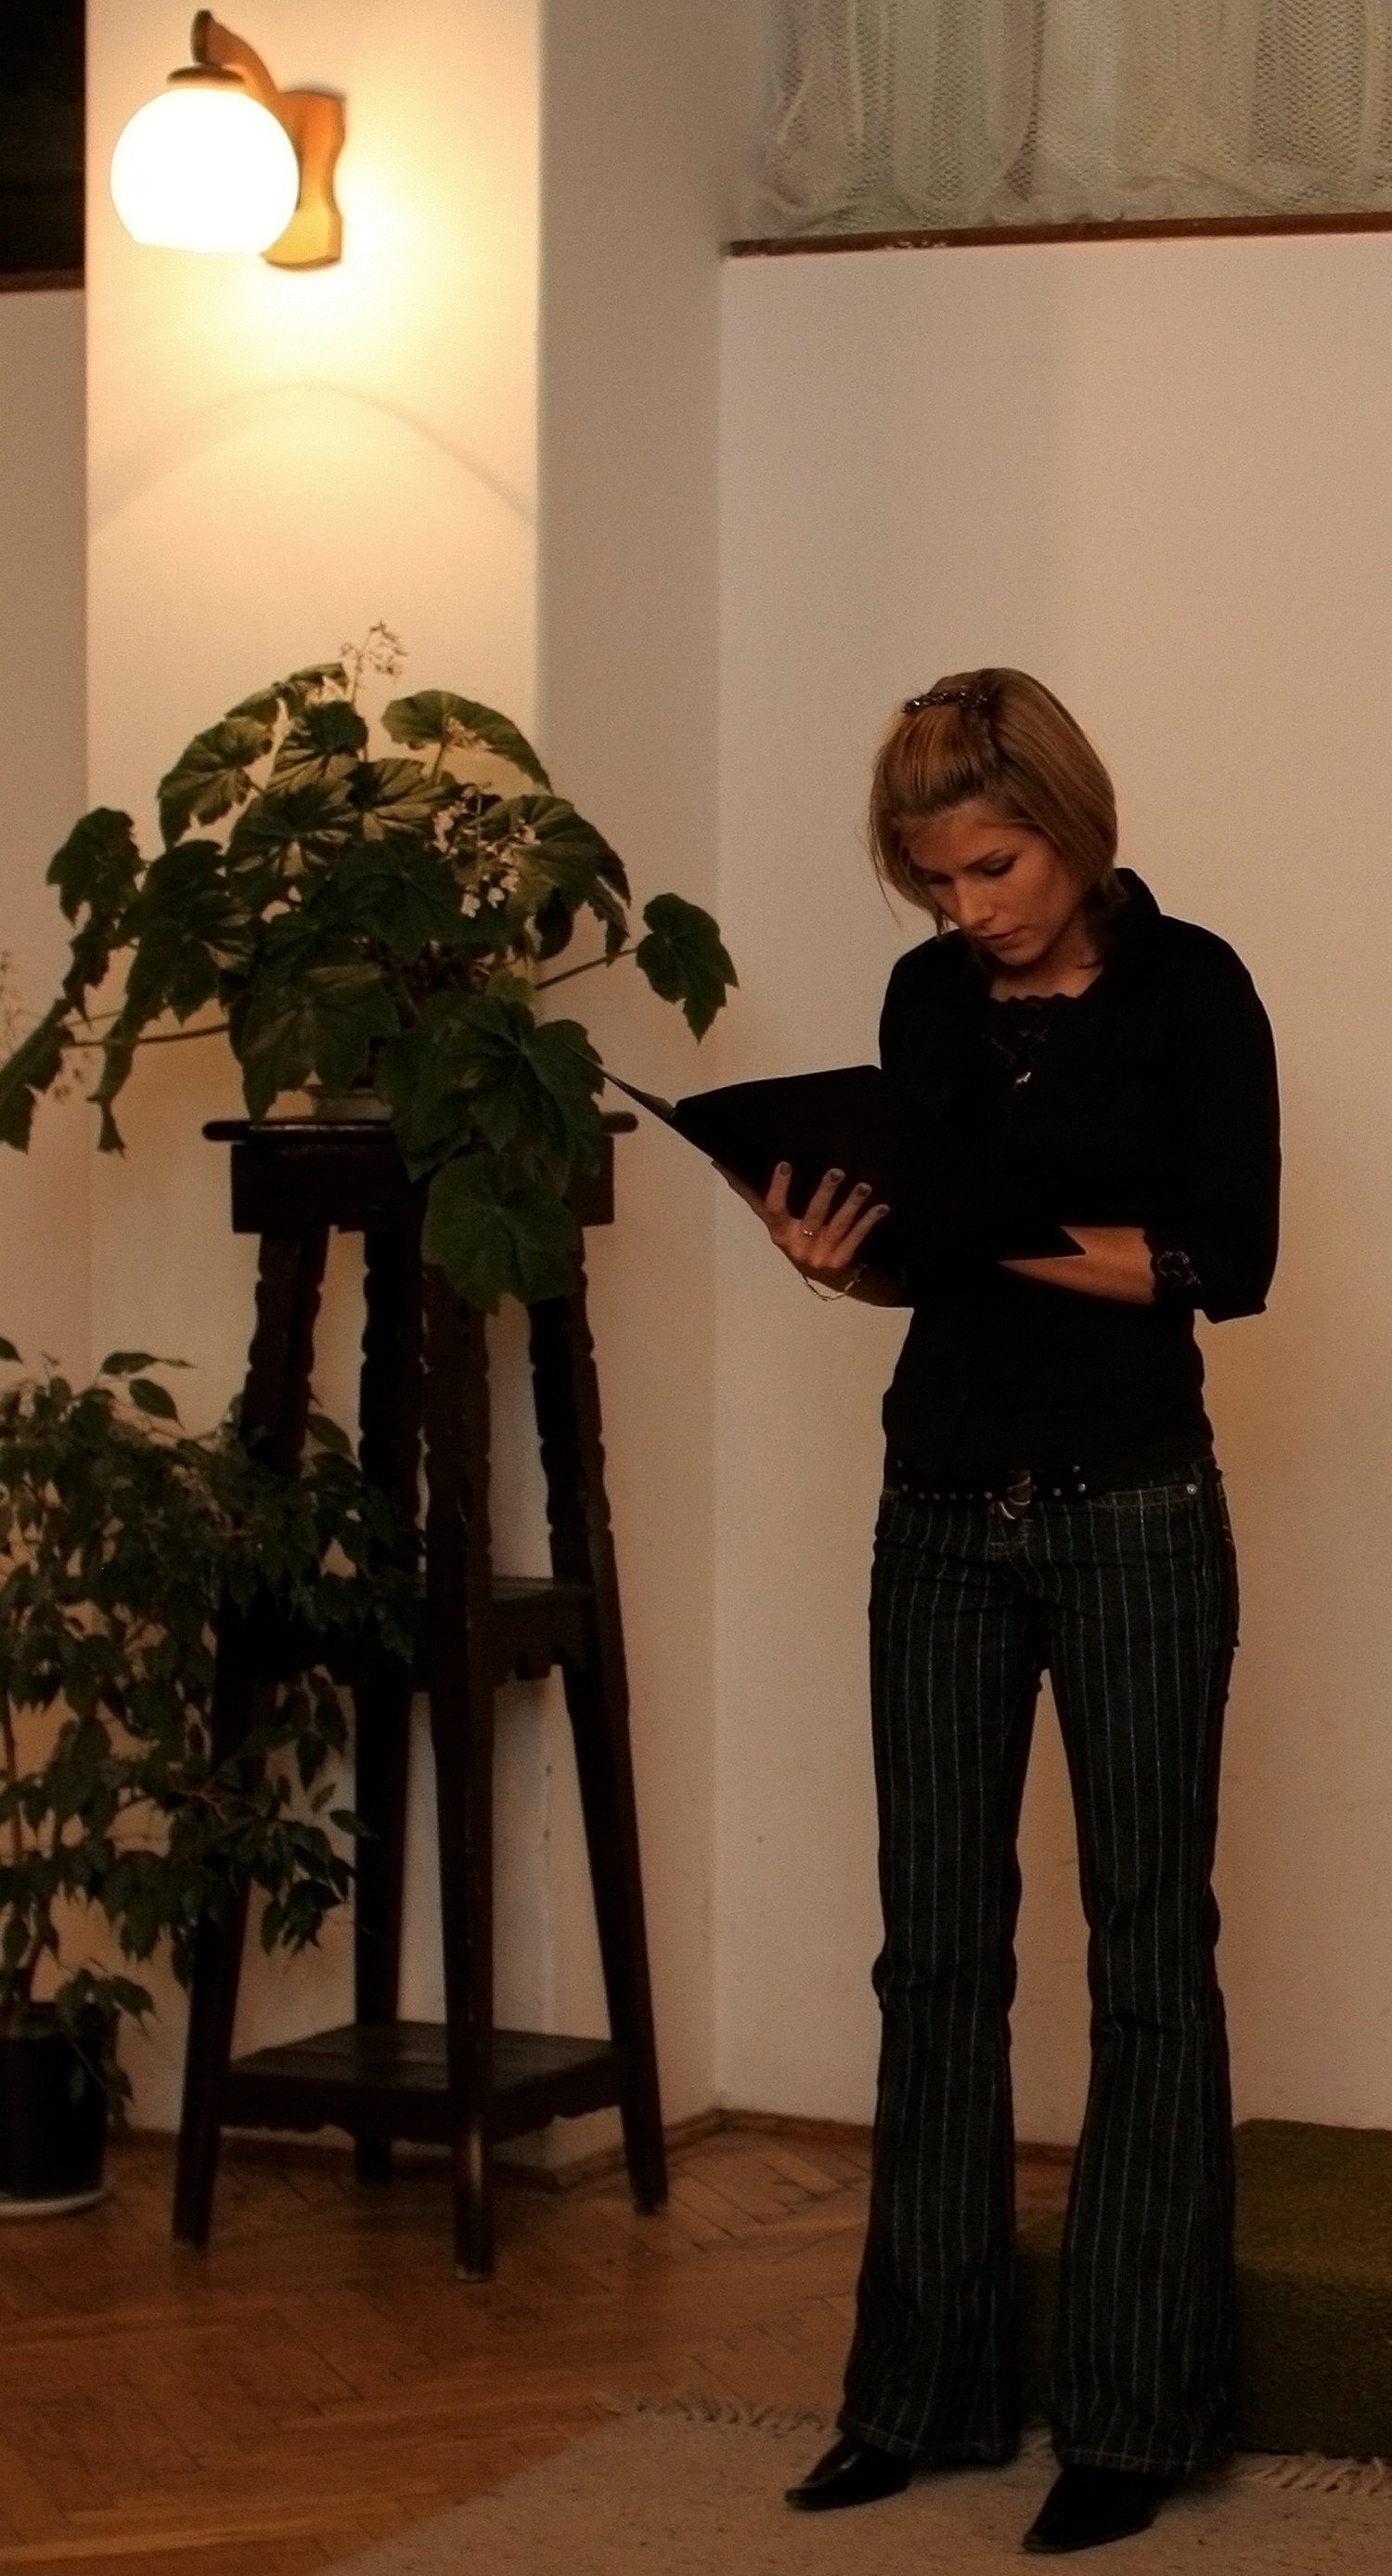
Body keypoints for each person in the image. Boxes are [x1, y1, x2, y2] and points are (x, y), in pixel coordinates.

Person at [725, 669, 1279, 2556]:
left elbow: (1225, 1257)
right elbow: (923, 1262)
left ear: (1071, 822)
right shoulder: (925, 1000)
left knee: (1149, 1960)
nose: (970, 909)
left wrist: (986, 1242)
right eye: (936, 878)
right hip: (939, 1513)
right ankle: (921, 2393)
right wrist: (841, 1258)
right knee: (937, 1960)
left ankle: (1134, 2414)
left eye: (996, 866)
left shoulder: (1192, 989)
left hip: (1135, 1514)